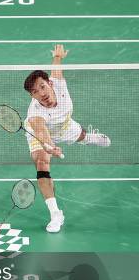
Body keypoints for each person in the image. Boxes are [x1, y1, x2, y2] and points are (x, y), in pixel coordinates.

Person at [24, 44, 111, 233]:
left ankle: (90, 137)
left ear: (50, 84)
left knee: (81, 136)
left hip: (64, 124)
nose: (42, 93)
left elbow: (56, 69)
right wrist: (48, 146)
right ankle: (56, 214)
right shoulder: (34, 113)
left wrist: (57, 57)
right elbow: (40, 130)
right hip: (43, 134)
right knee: (41, 162)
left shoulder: (59, 84)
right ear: (32, 96)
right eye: (35, 92)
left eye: (42, 86)